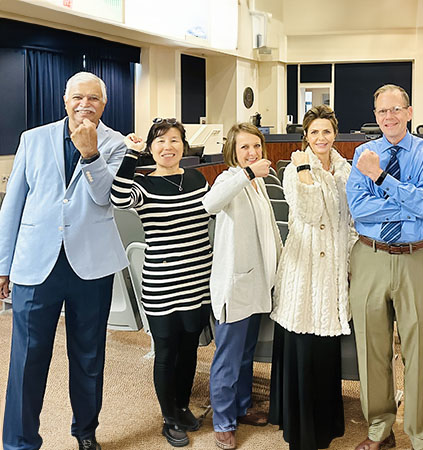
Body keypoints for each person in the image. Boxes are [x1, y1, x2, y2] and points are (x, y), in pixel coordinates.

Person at [0, 72, 128, 450]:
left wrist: (91, 154)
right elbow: (13, 204)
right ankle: (20, 441)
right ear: (65, 99)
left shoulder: (117, 145)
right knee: (26, 358)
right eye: (78, 96)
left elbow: (106, 197)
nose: (85, 103)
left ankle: (85, 431)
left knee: (88, 355)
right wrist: (3, 263)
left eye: (93, 98)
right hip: (36, 262)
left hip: (91, 264)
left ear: (104, 105)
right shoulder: (33, 139)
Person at [346, 84, 423, 450]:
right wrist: (409, 201)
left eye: (395, 109)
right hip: (370, 256)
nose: (388, 117)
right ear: (375, 116)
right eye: (381, 112)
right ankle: (379, 428)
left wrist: (382, 180)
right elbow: (359, 210)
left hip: (418, 259)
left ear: (408, 111)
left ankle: (420, 435)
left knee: (418, 350)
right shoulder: (362, 152)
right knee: (372, 348)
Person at [110, 118, 212, 447]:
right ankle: (169, 418)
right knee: (167, 351)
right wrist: (130, 154)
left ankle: (182, 407)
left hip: (198, 279)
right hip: (163, 281)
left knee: (190, 348)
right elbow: (117, 198)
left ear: (184, 145)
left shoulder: (197, 178)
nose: (167, 147)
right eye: (160, 141)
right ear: (151, 148)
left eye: (174, 140)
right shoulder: (143, 185)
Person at [269, 105, 356, 450]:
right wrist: (306, 171)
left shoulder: (345, 169)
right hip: (304, 265)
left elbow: (349, 217)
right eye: (314, 132)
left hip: (333, 265)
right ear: (305, 135)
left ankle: (326, 423)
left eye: (327, 132)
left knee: (325, 347)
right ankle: (301, 427)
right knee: (304, 340)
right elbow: (307, 213)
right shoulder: (295, 168)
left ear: (335, 134)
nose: (321, 138)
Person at [202, 123, 282, 450]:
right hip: (234, 287)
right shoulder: (230, 178)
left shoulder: (257, 184)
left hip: (256, 282)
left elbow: (269, 230)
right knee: (228, 357)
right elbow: (211, 204)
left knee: (246, 354)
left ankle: (241, 407)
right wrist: (247, 173)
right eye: (244, 148)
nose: (252, 153)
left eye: (256, 147)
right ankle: (222, 421)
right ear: (233, 153)